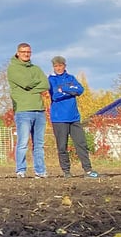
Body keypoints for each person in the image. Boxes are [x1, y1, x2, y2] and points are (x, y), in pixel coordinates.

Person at [48, 56, 99, 178]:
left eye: (60, 65)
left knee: (81, 143)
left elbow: (80, 90)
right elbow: (55, 95)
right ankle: (66, 171)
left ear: (64, 66)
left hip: (74, 117)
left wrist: (64, 89)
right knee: (62, 146)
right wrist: (71, 90)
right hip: (59, 118)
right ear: (53, 67)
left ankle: (88, 170)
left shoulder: (71, 78)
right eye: (56, 66)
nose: (58, 68)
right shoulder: (51, 79)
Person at [8, 42, 49, 178]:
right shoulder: (13, 69)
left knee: (39, 144)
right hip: (23, 110)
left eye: (28, 52)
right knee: (23, 142)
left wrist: (31, 90)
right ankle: (21, 170)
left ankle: (40, 171)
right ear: (18, 53)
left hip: (39, 110)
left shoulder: (36, 68)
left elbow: (45, 84)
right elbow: (25, 83)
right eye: (23, 51)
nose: (26, 54)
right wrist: (35, 85)